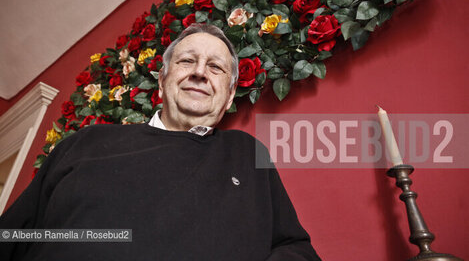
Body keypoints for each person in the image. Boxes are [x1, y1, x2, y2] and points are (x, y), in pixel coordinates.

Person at [0, 23, 321, 260]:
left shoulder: (248, 154)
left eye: (215, 67)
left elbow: (295, 248)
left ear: (227, 98)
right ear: (162, 81)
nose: (199, 72)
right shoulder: (85, 141)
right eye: (186, 61)